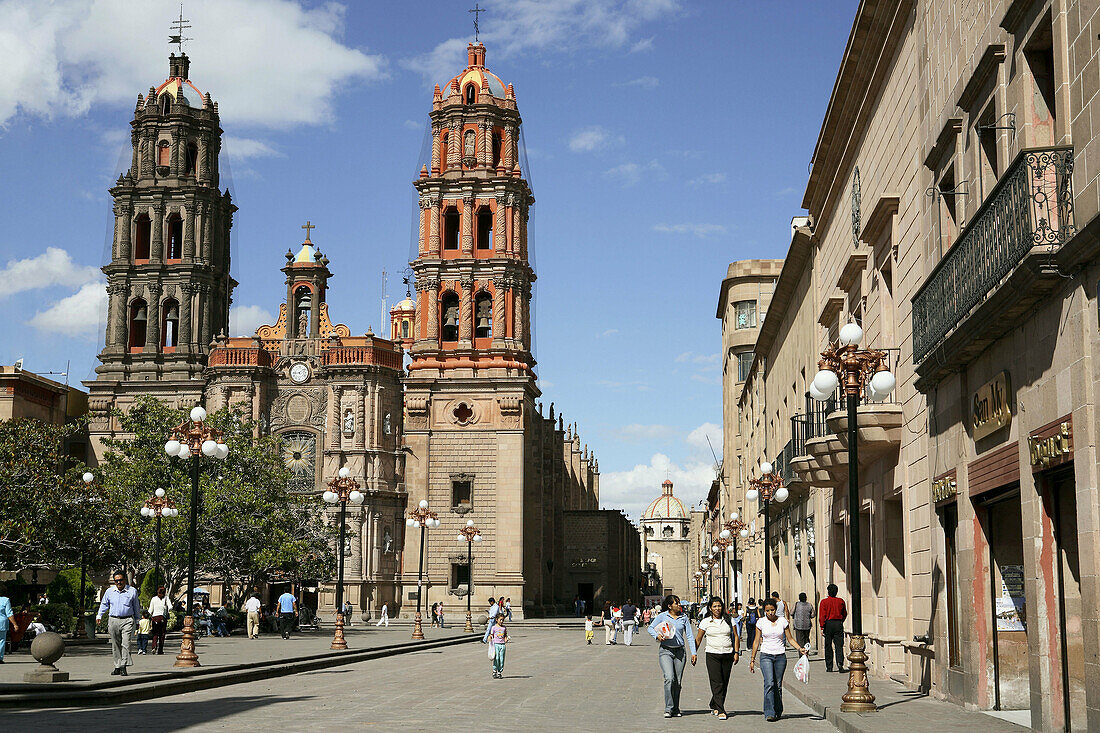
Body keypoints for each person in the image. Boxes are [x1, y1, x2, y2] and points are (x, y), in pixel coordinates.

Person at [749, 598, 807, 722]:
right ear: (764, 611)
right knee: (769, 683)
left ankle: (778, 710)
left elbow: (790, 639)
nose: (770, 613)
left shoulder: (782, 621)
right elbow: (756, 641)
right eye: (767, 610)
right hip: (766, 655)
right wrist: (752, 659)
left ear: (776, 609)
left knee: (778, 685)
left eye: (772, 610)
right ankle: (769, 712)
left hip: (780, 656)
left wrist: (799, 649)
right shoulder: (761, 623)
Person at [647, 595, 697, 717]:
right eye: (676, 603)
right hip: (666, 651)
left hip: (680, 652)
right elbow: (650, 628)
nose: (678, 605)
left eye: (679, 603)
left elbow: (689, 635)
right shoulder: (663, 616)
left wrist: (693, 652)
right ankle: (668, 708)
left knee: (678, 682)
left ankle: (676, 708)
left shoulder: (684, 618)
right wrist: (657, 636)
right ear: (669, 606)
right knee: (669, 678)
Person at [694, 597, 740, 720]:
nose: (717, 609)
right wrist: (694, 653)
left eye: (719, 606)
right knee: (716, 682)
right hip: (712, 654)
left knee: (724, 682)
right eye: (714, 606)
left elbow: (736, 636)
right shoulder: (706, 622)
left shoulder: (729, 620)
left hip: (727, 653)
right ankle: (720, 709)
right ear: (710, 608)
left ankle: (714, 703)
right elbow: (698, 639)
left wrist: (736, 652)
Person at [95, 570, 141, 676]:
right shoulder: (110, 591)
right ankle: (117, 665)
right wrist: (99, 615)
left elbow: (136, 607)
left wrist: (138, 620)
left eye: (120, 580)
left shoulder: (132, 591)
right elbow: (104, 604)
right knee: (115, 644)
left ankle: (123, 665)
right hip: (113, 620)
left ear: (125, 580)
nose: (119, 583)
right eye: (116, 581)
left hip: (127, 620)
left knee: (126, 643)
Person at [819, 583, 848, 672]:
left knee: (828, 646)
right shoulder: (841, 601)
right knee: (839, 645)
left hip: (828, 624)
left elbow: (822, 615)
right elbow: (844, 613)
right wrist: (840, 621)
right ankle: (840, 662)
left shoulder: (824, 602)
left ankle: (829, 666)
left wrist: (822, 626)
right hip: (838, 623)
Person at [483, 612, 510, 678]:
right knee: (496, 658)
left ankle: (500, 671)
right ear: (496, 620)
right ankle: (495, 670)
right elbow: (491, 635)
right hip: (496, 645)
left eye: (503, 620)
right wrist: (489, 638)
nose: (501, 621)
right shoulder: (494, 627)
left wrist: (506, 639)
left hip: (502, 645)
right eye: (500, 620)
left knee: (502, 659)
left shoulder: (504, 628)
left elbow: (505, 635)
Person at [148, 587, 170, 654]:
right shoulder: (166, 598)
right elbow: (170, 606)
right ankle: (160, 650)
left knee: (155, 634)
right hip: (163, 618)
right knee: (162, 635)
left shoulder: (154, 599)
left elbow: (150, 610)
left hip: (155, 618)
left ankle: (154, 646)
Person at [0, 583, 16, 663]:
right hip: (2, 623)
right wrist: (15, 624)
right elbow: (9, 613)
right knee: (1, 640)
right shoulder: (5, 600)